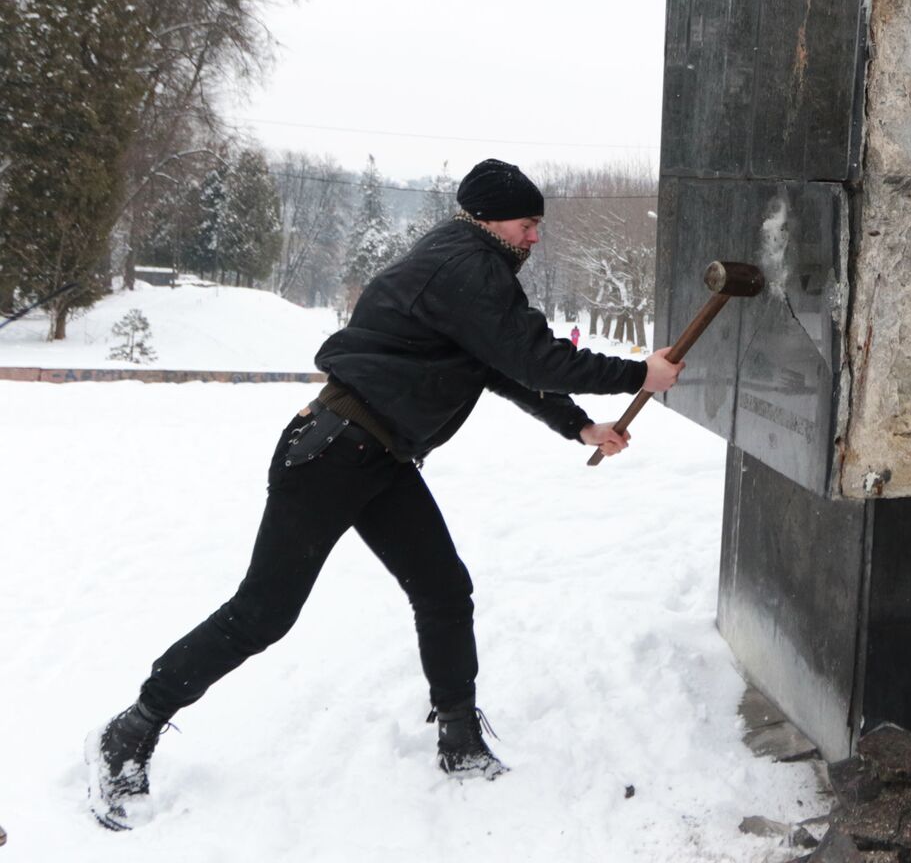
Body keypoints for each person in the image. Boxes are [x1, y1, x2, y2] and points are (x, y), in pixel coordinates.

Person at [85, 159, 681, 831]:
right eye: (528, 223)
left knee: (443, 589)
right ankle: (131, 729)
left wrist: (578, 425)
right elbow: (532, 357)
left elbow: (500, 367)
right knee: (264, 612)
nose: (533, 237)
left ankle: (457, 733)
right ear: (489, 218)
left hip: (378, 455)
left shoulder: (464, 263)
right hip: (334, 452)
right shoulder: (468, 267)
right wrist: (640, 373)